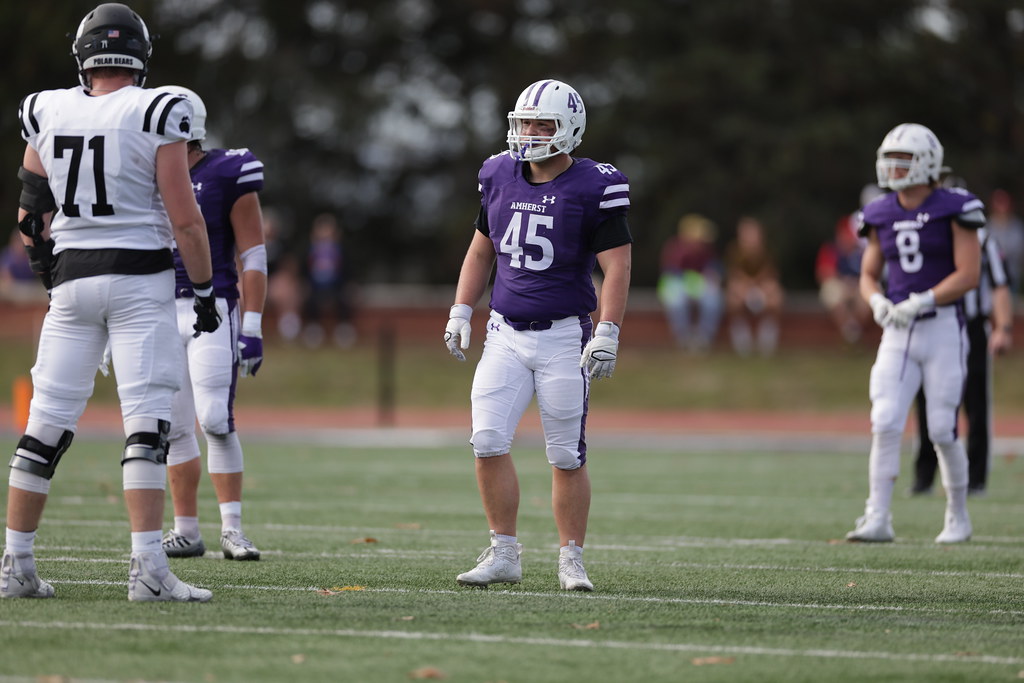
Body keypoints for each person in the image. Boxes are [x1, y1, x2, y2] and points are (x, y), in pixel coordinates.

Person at [3, 3, 219, 601]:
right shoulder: (158, 108)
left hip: (72, 283)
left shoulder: (48, 107)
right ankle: (148, 570)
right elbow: (187, 221)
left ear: (84, 57)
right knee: (145, 428)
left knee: (44, 425)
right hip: (139, 281)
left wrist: (49, 274)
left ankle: (15, 563)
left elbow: (29, 213)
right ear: (140, 58)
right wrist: (202, 292)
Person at [443, 79, 631, 591]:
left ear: (569, 130)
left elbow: (616, 267)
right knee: (486, 439)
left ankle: (572, 558)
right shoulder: (499, 173)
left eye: (542, 124)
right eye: (524, 122)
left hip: (563, 338)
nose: (529, 133)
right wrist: (462, 308)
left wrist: (609, 329)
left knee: (566, 453)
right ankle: (504, 552)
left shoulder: (594, 185)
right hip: (504, 333)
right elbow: (482, 249)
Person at [847, 123, 982, 544]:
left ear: (926, 162)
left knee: (941, 427)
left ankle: (958, 516)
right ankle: (877, 516)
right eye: (889, 159)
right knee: (885, 419)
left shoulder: (954, 206)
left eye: (902, 159)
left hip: (941, 328)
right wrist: (877, 302)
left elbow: (969, 273)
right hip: (898, 331)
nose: (893, 167)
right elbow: (868, 275)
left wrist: (924, 300)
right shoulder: (881, 211)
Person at [150, 86, 267, 562]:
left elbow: (253, 252)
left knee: (215, 419)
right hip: (156, 307)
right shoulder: (144, 173)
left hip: (211, 305)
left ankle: (233, 528)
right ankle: (186, 529)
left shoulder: (225, 171)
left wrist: (253, 322)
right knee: (174, 426)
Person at [910, 224, 1012, 496]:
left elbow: (999, 285)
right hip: (935, 324)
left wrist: (1003, 327)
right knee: (927, 400)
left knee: (976, 402)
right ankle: (924, 477)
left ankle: (975, 480)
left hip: (971, 325)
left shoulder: (984, 239)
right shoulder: (927, 233)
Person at [815, 184, 882, 344]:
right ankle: (851, 333)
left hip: (856, 287)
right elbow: (824, 273)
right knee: (833, 294)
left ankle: (852, 332)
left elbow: (868, 273)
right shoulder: (831, 249)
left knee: (869, 296)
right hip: (840, 286)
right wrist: (844, 283)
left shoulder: (860, 252)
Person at [657, 213, 723, 352]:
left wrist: (713, 274)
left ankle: (703, 338)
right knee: (677, 302)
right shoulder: (675, 248)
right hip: (674, 284)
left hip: (698, 285)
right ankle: (683, 339)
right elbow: (671, 272)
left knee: (713, 299)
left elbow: (715, 268)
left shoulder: (706, 250)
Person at [724, 216, 784, 356]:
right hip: (743, 287)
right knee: (733, 298)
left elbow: (771, 275)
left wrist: (762, 288)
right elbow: (734, 276)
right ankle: (741, 336)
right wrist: (744, 288)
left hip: (761, 287)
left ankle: (767, 336)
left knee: (776, 297)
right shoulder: (734, 251)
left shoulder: (768, 251)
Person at [985, 188, 1024, 293]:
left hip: (1011, 277)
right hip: (990, 279)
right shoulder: (987, 226)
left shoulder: (1016, 226)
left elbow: (1019, 250)